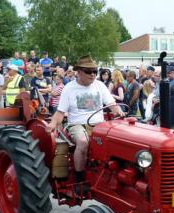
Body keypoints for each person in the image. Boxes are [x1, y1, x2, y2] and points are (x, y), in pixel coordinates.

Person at [46, 55, 125, 186]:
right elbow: (60, 112)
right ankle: (79, 178)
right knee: (83, 142)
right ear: (79, 72)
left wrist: (119, 112)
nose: (93, 74)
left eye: (95, 71)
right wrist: (53, 124)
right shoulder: (69, 88)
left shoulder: (99, 85)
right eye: (89, 71)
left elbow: (112, 105)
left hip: (99, 124)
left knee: (119, 139)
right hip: (77, 124)